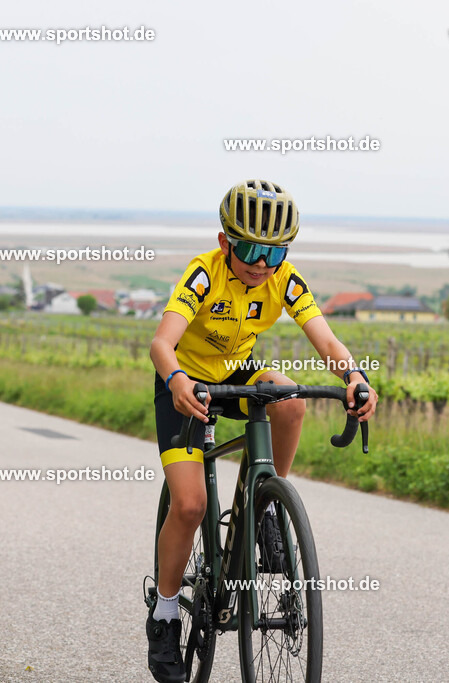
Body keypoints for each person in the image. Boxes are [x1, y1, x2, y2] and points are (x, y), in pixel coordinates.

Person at [145, 180, 378, 682]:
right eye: (249, 248)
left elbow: (326, 338)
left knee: (289, 397)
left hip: (235, 371)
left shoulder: (284, 280)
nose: (261, 263)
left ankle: (265, 501)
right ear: (227, 241)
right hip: (183, 381)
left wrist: (354, 377)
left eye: (273, 251)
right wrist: (178, 379)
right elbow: (161, 343)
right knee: (190, 505)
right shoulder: (204, 275)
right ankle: (164, 614)